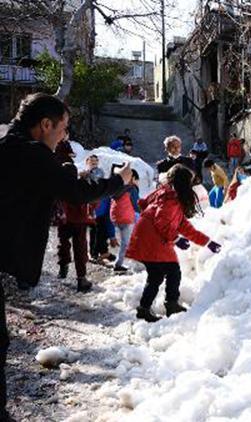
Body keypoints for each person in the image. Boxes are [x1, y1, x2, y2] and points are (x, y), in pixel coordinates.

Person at [0, 93, 130, 420]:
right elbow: (76, 193)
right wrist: (120, 181)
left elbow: (58, 182)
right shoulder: (31, 153)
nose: (65, 135)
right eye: (63, 128)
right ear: (46, 125)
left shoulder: (9, 148)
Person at [126, 165, 221, 322]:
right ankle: (156, 306)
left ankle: (166, 304)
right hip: (151, 239)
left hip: (151, 238)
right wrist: (176, 239)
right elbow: (161, 221)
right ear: (183, 182)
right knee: (162, 273)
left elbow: (184, 226)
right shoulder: (170, 199)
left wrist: (207, 242)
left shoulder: (171, 197)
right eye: (190, 182)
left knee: (169, 272)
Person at [55, 143, 98, 292]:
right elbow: (89, 198)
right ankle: (81, 278)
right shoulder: (73, 173)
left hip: (63, 218)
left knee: (63, 243)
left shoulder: (55, 170)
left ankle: (63, 266)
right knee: (80, 247)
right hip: (79, 219)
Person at [110, 170, 140, 273]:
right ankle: (119, 264)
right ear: (133, 179)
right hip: (126, 218)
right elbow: (137, 205)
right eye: (137, 179)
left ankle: (124, 262)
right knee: (126, 243)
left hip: (116, 217)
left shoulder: (118, 187)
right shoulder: (131, 189)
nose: (137, 182)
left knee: (126, 241)